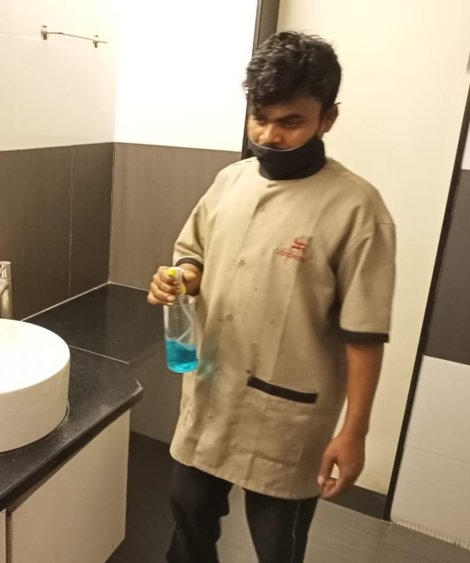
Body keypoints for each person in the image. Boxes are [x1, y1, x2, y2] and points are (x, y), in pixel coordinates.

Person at [147, 31, 396, 563]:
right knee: (187, 521)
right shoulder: (229, 182)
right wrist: (180, 278)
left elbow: (364, 335)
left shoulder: (357, 209)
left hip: (289, 418)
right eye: (260, 117)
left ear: (328, 118)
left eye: (291, 122)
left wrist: (355, 432)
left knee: (277, 547)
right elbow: (193, 254)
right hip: (211, 396)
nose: (269, 135)